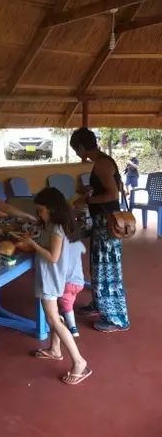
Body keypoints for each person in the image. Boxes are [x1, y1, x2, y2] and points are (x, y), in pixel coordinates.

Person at [21, 187, 91, 386]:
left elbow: (53, 257)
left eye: (41, 211)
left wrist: (32, 245)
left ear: (51, 209)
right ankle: (55, 349)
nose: (39, 214)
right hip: (52, 277)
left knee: (53, 319)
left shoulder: (56, 228)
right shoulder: (55, 225)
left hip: (51, 278)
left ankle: (79, 362)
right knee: (54, 317)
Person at [70, 127, 129, 333]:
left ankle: (115, 319)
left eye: (77, 150)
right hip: (101, 220)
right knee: (97, 265)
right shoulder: (102, 161)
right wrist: (91, 191)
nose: (79, 155)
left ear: (81, 147)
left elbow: (112, 195)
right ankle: (98, 303)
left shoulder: (103, 164)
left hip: (107, 222)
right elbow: (107, 189)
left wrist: (86, 200)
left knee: (107, 268)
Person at [59, 241, 86, 338]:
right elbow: (84, 250)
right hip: (79, 282)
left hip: (67, 283)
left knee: (67, 306)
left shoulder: (61, 245)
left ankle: (73, 328)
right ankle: (65, 313)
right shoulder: (78, 243)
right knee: (71, 298)